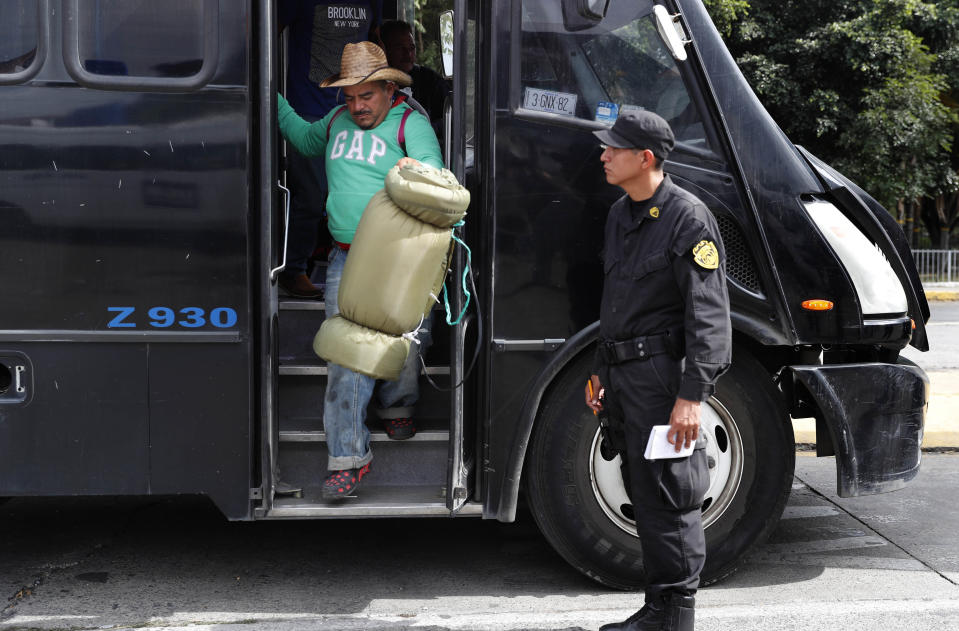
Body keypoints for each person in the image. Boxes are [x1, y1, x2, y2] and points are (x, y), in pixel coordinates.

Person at [277, 41, 444, 499]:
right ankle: (348, 458)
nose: (357, 106)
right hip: (345, 258)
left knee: (406, 341)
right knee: (346, 356)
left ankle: (397, 407)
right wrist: (265, 94)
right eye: (349, 97)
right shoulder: (333, 122)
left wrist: (418, 170)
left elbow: (436, 176)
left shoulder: (412, 124)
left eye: (365, 95)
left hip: (400, 262)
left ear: (389, 89)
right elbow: (303, 136)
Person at [585, 111, 731, 631]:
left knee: (672, 497)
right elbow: (616, 299)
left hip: (662, 379)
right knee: (644, 492)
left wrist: (692, 397)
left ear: (644, 158)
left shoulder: (688, 219)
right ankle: (657, 608)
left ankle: (678, 616)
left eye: (613, 149)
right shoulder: (620, 214)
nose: (603, 155)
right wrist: (601, 370)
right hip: (624, 377)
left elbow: (709, 315)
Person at [276, 0, 382, 298]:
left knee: (359, 192)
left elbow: (374, 42)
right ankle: (293, 270)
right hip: (307, 108)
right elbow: (266, 36)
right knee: (311, 195)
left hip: (355, 109)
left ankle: (362, 271)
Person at [378, 19, 450, 129]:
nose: (408, 54)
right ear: (384, 50)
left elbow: (452, 116)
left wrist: (427, 129)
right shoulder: (372, 84)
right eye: (400, 48)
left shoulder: (429, 80)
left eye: (412, 48)